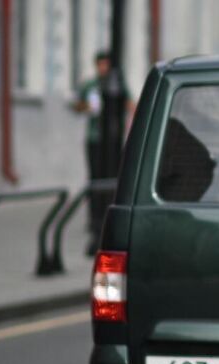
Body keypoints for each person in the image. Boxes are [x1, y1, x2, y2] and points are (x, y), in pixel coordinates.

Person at [72, 52, 132, 251]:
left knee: (113, 181)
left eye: (106, 64)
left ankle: (108, 216)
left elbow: (129, 104)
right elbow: (77, 106)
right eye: (100, 64)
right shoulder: (91, 86)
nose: (103, 68)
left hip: (113, 141)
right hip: (95, 139)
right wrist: (87, 106)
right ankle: (94, 220)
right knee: (95, 180)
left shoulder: (117, 86)